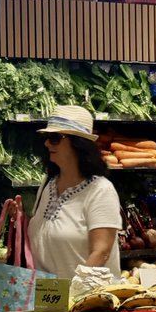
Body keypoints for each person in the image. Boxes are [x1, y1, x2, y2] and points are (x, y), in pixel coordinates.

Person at [28, 104, 122, 280]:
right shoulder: (48, 184)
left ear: (78, 144)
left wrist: (74, 293)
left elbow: (101, 252)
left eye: (55, 138)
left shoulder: (100, 191)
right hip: (47, 299)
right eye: (47, 137)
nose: (47, 143)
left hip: (85, 301)